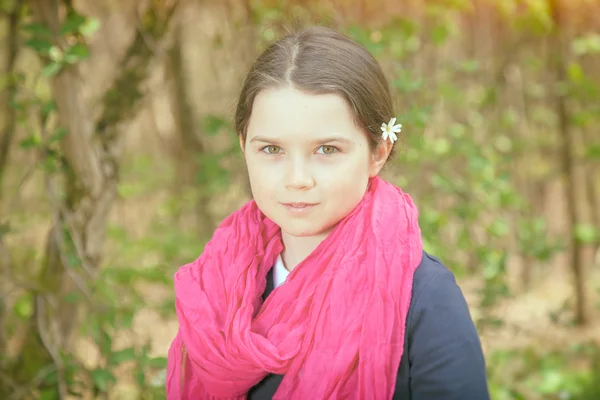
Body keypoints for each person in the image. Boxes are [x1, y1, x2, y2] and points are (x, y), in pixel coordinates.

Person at [166, 26, 490, 399]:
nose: (297, 179)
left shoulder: (426, 299)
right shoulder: (216, 289)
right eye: (272, 149)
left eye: (327, 150)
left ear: (378, 153)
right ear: (244, 147)